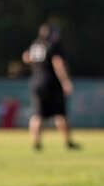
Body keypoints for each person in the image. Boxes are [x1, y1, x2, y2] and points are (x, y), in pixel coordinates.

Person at [22, 23, 79, 151]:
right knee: (60, 113)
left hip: (36, 82)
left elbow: (25, 57)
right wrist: (65, 81)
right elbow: (58, 63)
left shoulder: (35, 44)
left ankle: (36, 143)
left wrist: (36, 64)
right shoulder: (53, 45)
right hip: (51, 83)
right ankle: (68, 142)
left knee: (37, 114)